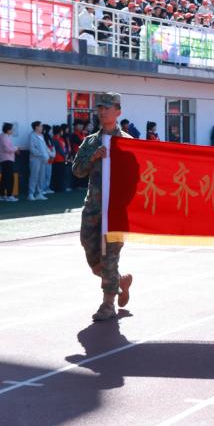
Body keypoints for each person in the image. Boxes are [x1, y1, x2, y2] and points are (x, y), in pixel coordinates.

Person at [71, 92, 134, 322]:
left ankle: (108, 304)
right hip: (93, 209)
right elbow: (77, 171)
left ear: (118, 112)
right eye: (100, 108)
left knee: (109, 256)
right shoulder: (90, 141)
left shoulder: (127, 143)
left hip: (116, 211)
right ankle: (120, 281)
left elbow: (137, 178)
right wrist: (93, 158)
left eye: (108, 107)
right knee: (93, 257)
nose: (103, 111)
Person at [27, 121, 50, 200]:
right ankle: (31, 193)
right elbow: (32, 148)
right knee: (34, 176)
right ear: (36, 127)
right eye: (40, 126)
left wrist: (48, 155)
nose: (42, 128)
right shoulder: (32, 136)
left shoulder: (42, 136)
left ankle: (39, 193)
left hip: (43, 159)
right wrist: (41, 154)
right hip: (35, 159)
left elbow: (45, 147)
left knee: (41, 177)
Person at [0, 122, 19, 202]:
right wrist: (16, 148)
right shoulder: (4, 137)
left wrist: (15, 149)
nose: (12, 131)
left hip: (6, 160)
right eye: (11, 129)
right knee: (9, 178)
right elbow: (7, 149)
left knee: (4, 178)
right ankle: (9, 195)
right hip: (7, 160)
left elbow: (9, 147)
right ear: (8, 130)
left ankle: (2, 195)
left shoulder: (5, 137)